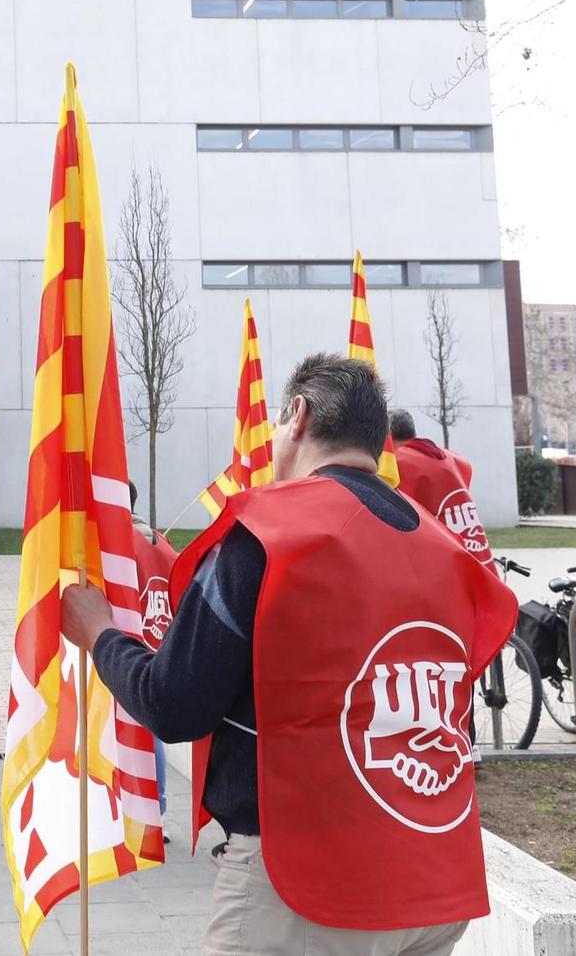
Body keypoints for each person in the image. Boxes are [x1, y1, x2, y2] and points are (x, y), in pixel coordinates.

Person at [60, 354, 517, 955]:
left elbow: (173, 704)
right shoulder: (444, 548)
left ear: (297, 415)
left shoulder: (269, 535)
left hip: (308, 887)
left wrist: (99, 634)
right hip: (436, 879)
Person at [128, 482, 179, 841]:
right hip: (162, 645)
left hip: (130, 648)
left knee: (132, 731)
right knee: (152, 732)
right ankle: (155, 809)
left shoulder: (119, 546)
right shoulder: (162, 542)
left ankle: (137, 811)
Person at [386, 410, 493, 567]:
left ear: (387, 437)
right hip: (479, 561)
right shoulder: (453, 459)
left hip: (444, 564)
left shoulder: (398, 465)